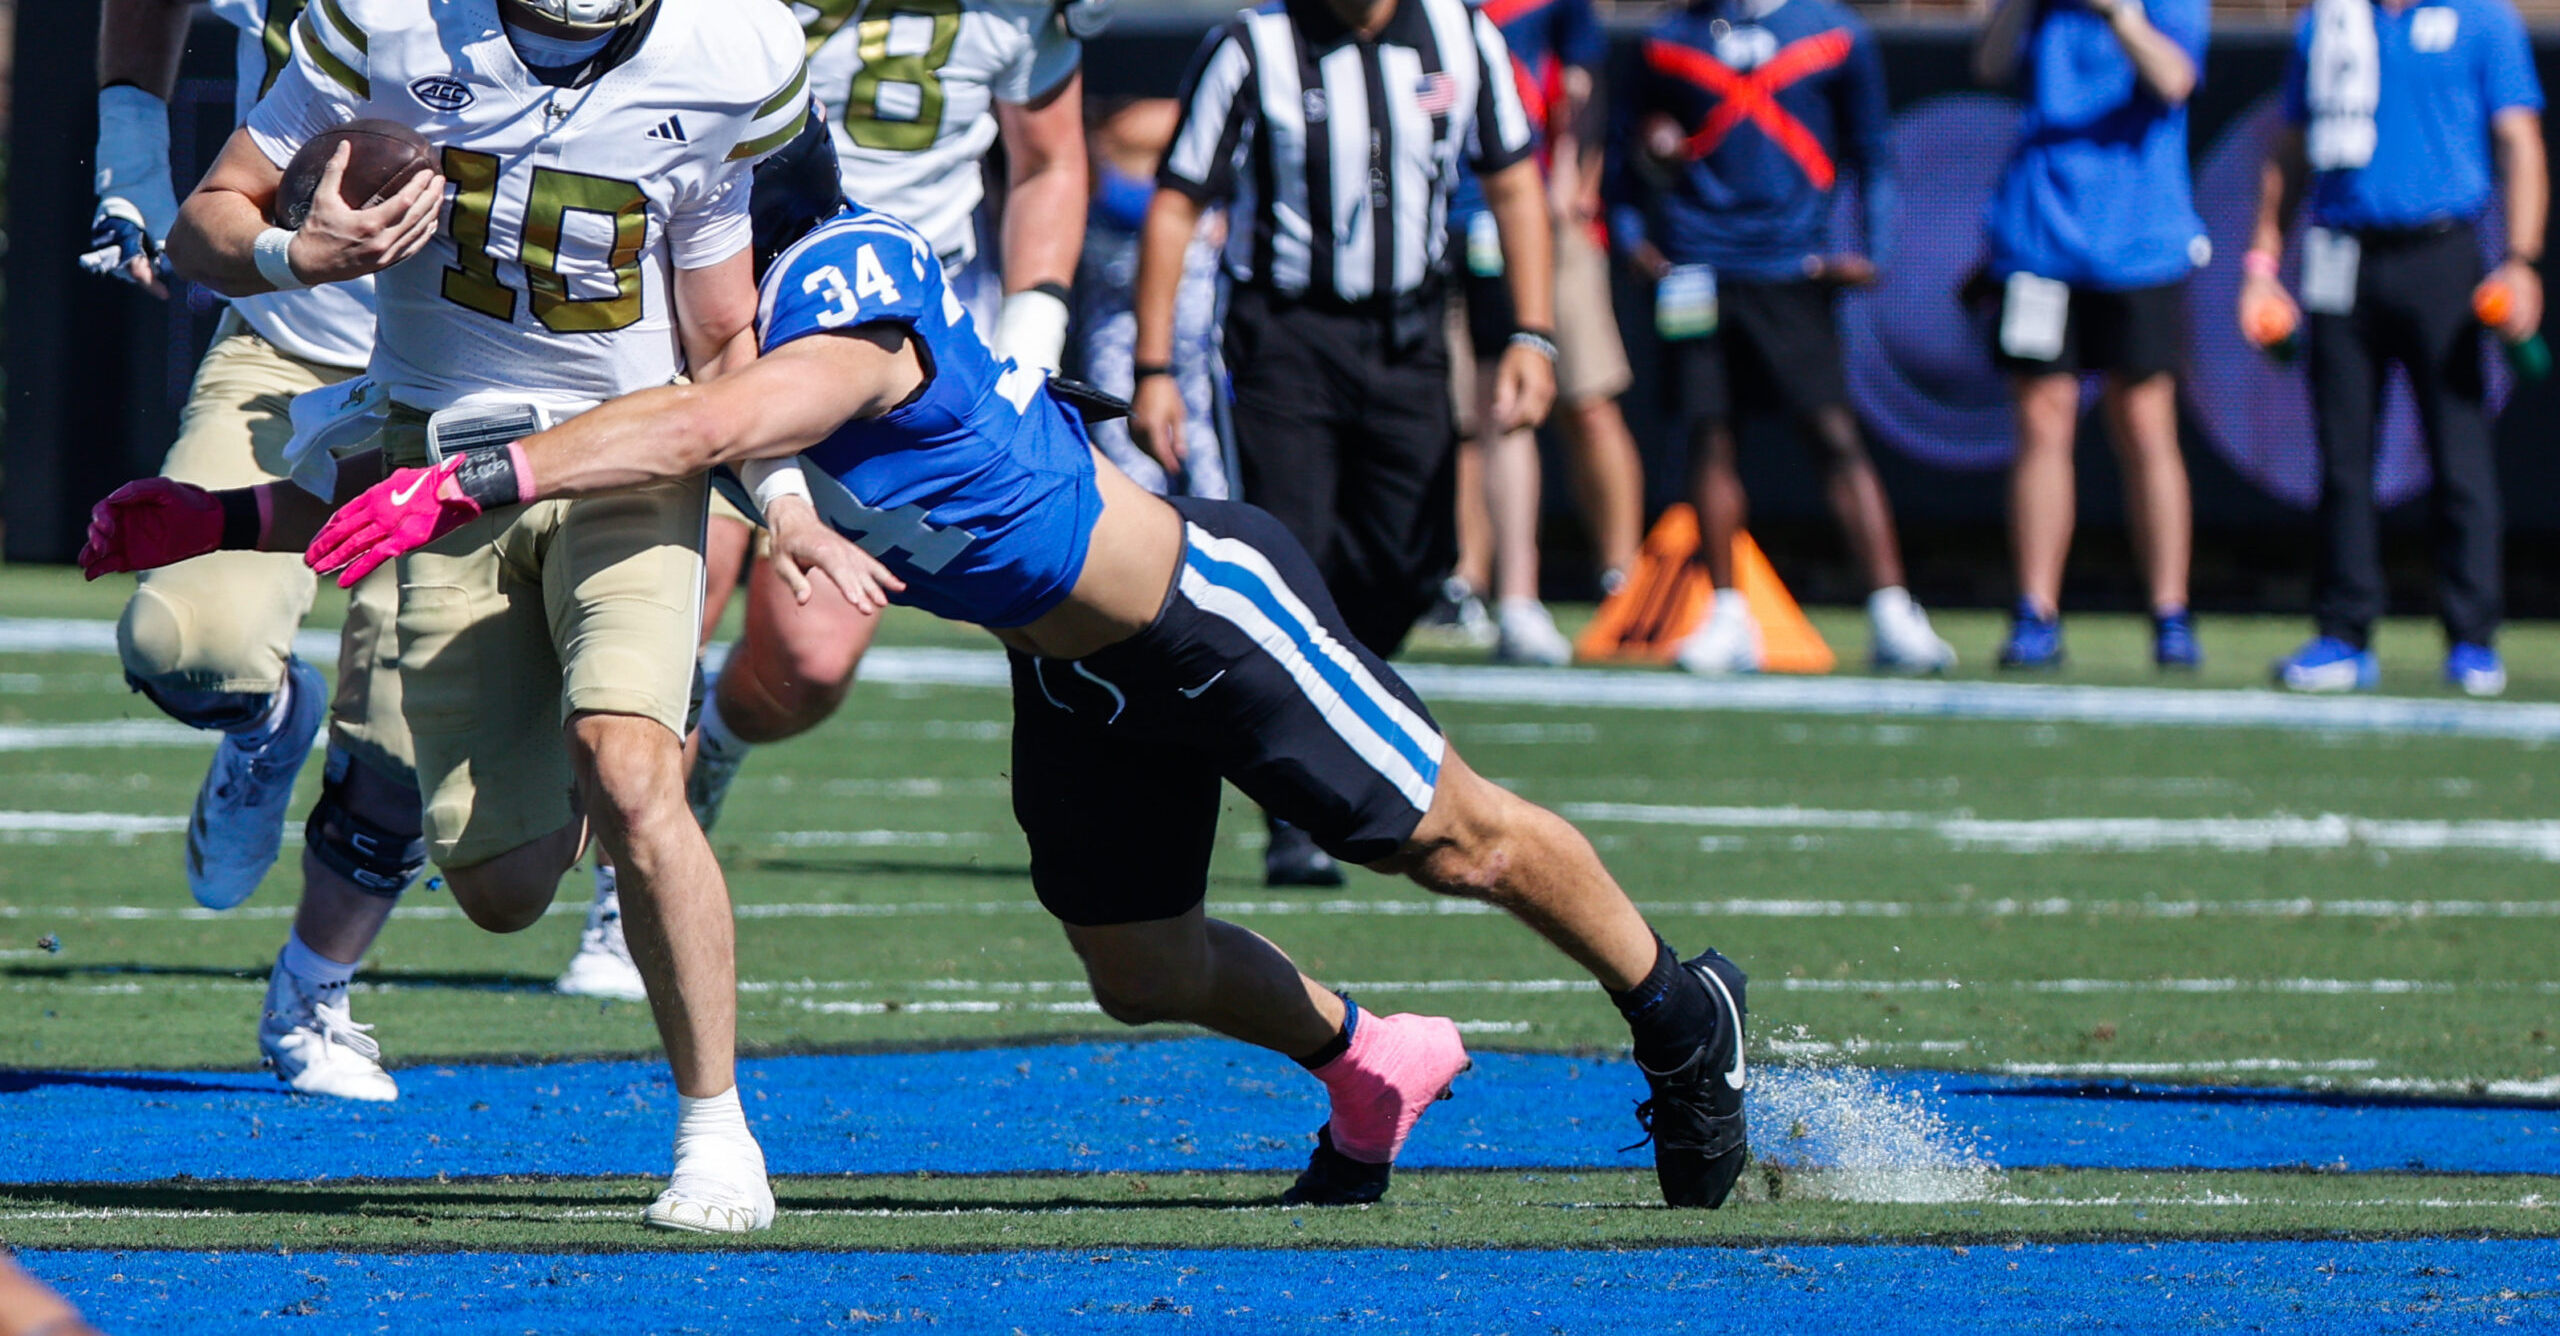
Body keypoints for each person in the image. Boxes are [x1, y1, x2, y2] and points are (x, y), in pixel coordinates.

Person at [279, 200, 1754, 1215]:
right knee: (1139, 963)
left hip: (1200, 609)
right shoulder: (712, 371)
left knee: (1456, 839)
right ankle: (1372, 1057)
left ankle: (1680, 1010)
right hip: (1068, 668)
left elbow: (717, 421)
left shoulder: (844, 300)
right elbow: (700, 431)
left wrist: (479, 474)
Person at [148, 0, 815, 1235]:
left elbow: (724, 327)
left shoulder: (726, 46)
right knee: (509, 882)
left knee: (636, 766)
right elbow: (210, 216)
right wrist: (287, 257)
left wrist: (778, 485)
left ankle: (716, 1129)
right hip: (445, 471)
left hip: (631, 456)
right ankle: (573, 801)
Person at [82, 0, 538, 1101]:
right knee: (189, 643)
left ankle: (312, 995)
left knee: (413, 738)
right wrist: (139, 171)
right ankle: (264, 727)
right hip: (296, 333)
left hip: (475, 367)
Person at [655, 0, 1115, 974]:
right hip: (701, 269)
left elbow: (1048, 159)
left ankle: (709, 766)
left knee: (805, 656)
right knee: (664, 599)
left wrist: (1033, 322)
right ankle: (639, 844)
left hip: (880, 330)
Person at [1129, 0, 1557, 888]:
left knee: (1409, 564)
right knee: (1296, 562)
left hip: (1411, 335)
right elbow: (1179, 199)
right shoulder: (1254, 44)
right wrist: (1152, 366)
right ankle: (1291, 806)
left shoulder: (1461, 33)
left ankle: (1319, 739)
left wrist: (1532, 335)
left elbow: (1513, 185)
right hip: (1286, 340)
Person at [1613, 0, 1953, 677]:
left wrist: (1875, 245)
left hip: (1790, 264)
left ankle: (1892, 608)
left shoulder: (1834, 33)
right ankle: (1727, 610)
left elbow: (1873, 152)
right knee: (1707, 433)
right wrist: (1635, 236)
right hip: (1697, 265)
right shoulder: (1671, 37)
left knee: (1832, 432)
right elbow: (1627, 151)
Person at [2240, 0, 2545, 695]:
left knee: (2459, 449)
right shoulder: (2331, 17)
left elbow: (2519, 142)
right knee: (2342, 455)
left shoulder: (2482, 17)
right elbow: (2289, 149)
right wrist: (2263, 260)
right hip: (2341, 249)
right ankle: (2343, 630)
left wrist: (2520, 261)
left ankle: (2472, 634)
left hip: (2444, 252)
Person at [1409, 0, 1643, 663]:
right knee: (1465, 412)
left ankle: (1623, 573)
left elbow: (1584, 85)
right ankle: (1468, 580)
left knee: (1581, 393)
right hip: (1442, 216)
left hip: (1535, 216)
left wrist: (1572, 187)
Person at [1973, 0, 2209, 672]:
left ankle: (2170, 611)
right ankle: (2036, 608)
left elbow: (2174, 79)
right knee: (2041, 423)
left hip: (2138, 242)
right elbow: (1990, 60)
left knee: (2145, 424)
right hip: (2042, 239)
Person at [1076, 96, 1231, 499]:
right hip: (1114, 319)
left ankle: (1217, 542)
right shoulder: (1082, 150)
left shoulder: (1150, 124)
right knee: (1123, 449)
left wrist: (1233, 207)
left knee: (1207, 450)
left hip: (1192, 316)